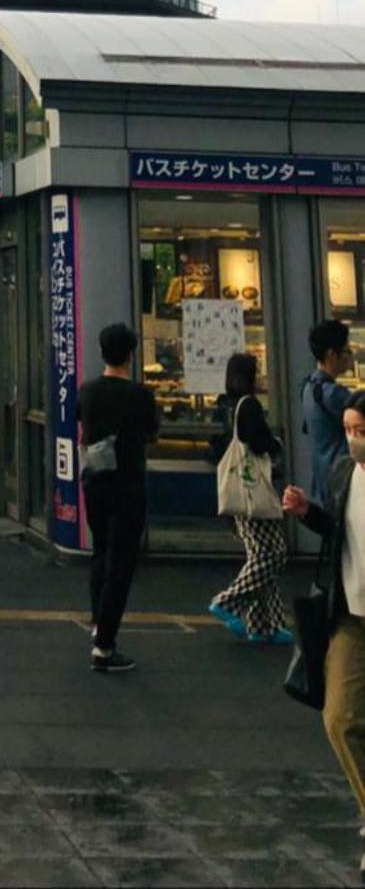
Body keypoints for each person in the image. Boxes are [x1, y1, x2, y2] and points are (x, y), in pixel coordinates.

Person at [285, 390, 365, 841]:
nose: (354, 440)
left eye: (362, 431)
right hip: (350, 614)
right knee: (339, 717)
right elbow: (336, 528)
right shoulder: (342, 473)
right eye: (349, 430)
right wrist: (306, 512)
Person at [77, 321, 159, 675]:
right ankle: (105, 645)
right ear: (131, 354)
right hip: (128, 484)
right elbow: (152, 432)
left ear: (101, 352)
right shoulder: (140, 396)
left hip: (95, 481)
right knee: (122, 562)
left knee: (100, 552)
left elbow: (82, 424)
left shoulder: (87, 391)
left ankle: (98, 623)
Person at [207, 351, 291, 644]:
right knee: (273, 553)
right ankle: (229, 601)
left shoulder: (228, 404)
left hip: (239, 493)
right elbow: (258, 442)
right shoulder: (250, 405)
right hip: (253, 493)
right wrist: (276, 443)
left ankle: (264, 626)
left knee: (259, 556)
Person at [303, 319, 355, 507]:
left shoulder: (309, 387)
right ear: (332, 355)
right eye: (347, 351)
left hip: (322, 478)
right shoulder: (333, 393)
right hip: (342, 477)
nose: (351, 356)